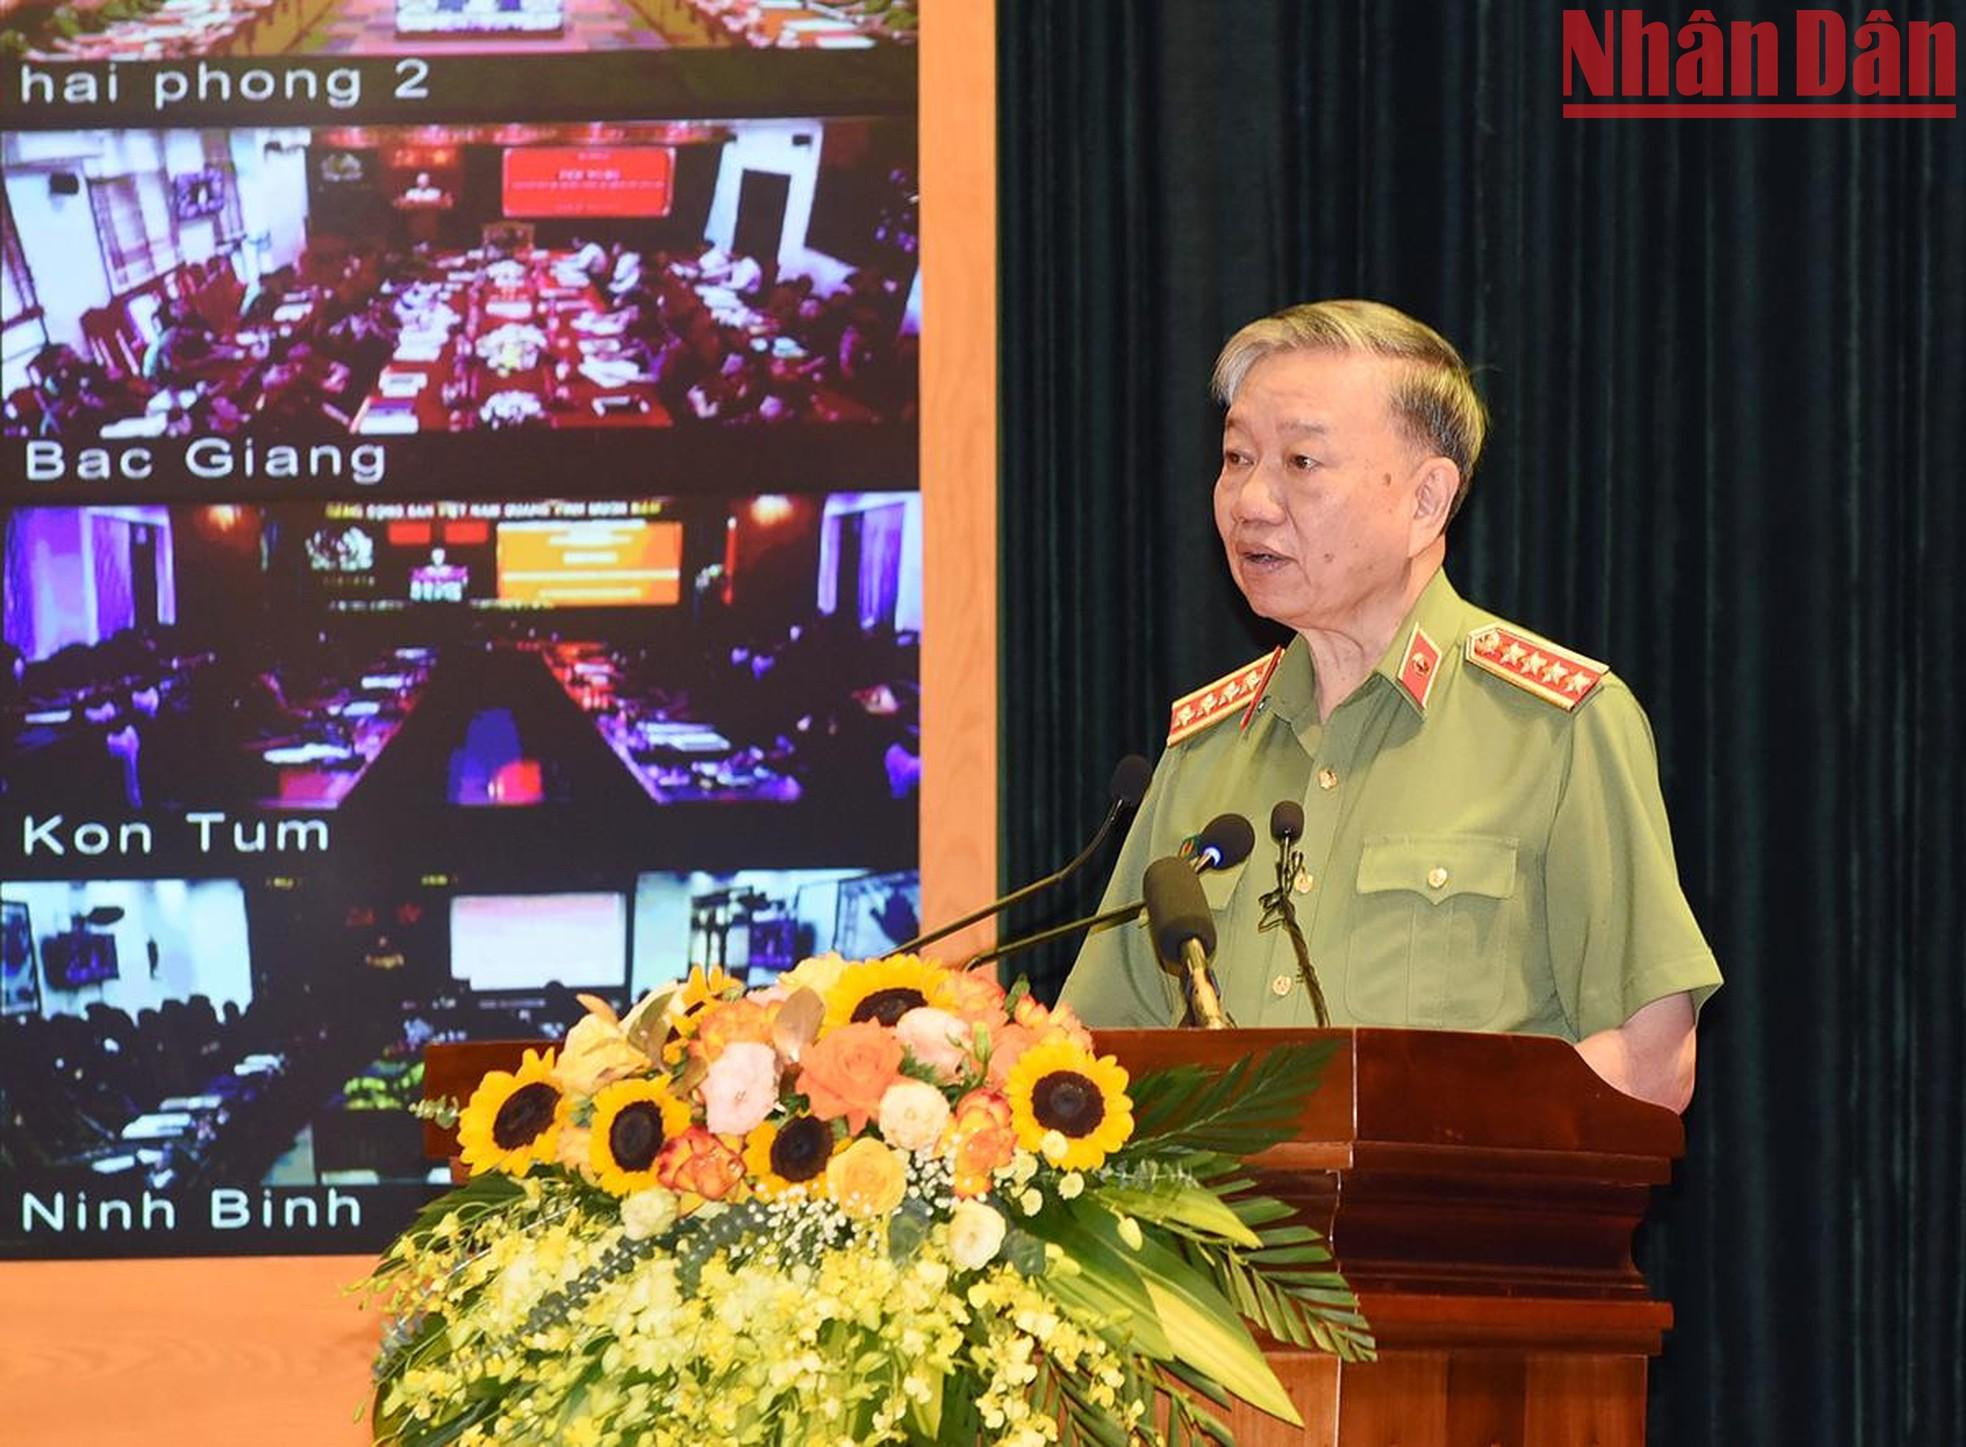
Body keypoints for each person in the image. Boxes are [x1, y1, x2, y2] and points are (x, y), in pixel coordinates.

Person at [1057, 300, 1721, 1111]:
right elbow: (1086, 1052)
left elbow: (1653, 1062)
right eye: (1236, 457)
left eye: (1301, 461)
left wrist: (1437, 1137)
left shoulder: (1558, 729)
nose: (1250, 500)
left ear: (1426, 500)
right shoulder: (1204, 749)